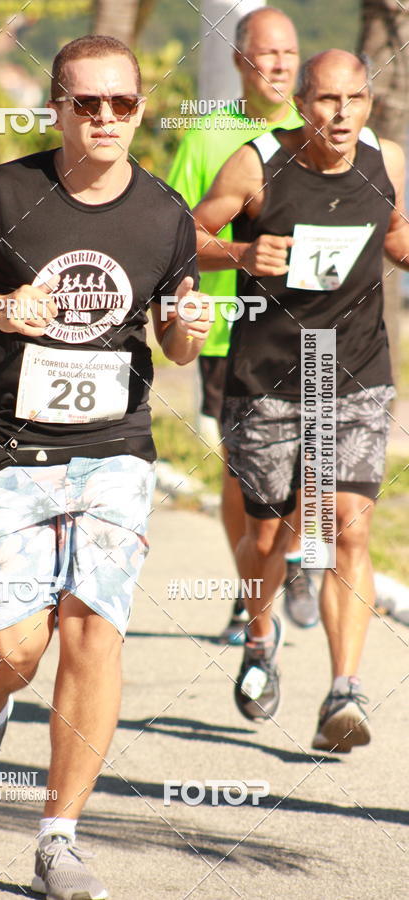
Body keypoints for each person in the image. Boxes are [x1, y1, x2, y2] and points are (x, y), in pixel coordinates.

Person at [0, 35, 211, 899]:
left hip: (115, 447)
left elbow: (178, 348)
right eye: (89, 103)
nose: (107, 118)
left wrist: (188, 327)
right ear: (58, 108)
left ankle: (58, 838)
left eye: (122, 103)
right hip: (11, 446)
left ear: (139, 110)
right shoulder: (6, 189)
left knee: (94, 627)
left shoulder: (164, 211)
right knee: (15, 644)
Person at [193, 49, 409, 752]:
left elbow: (395, 231)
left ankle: (344, 692)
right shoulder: (257, 165)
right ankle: (260, 636)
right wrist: (240, 256)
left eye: (353, 100)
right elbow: (186, 237)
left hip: (356, 371)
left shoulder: (389, 161)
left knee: (347, 523)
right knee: (268, 536)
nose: (340, 115)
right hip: (270, 376)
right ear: (301, 103)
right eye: (324, 101)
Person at [168, 6, 319, 642]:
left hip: (313, 327)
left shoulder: (321, 131)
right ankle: (247, 588)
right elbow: (175, 234)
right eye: (267, 53)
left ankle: (291, 558)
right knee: (245, 471)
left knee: (314, 465)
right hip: (232, 330)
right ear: (240, 61)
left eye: (289, 53)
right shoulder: (206, 136)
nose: (280, 64)